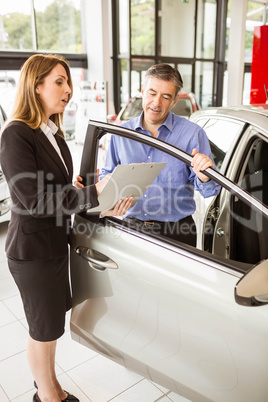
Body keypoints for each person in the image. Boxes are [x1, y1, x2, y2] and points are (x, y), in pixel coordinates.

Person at [0, 54, 133, 402]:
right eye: (60, 81)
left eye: (68, 82)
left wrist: (98, 202)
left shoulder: (54, 134)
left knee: (51, 326)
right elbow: (33, 200)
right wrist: (92, 193)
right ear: (36, 85)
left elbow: (59, 191)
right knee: (43, 329)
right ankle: (47, 395)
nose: (68, 89)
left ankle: (49, 383)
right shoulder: (16, 134)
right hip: (32, 253)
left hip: (54, 246)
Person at [98, 63, 221, 246]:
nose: (156, 103)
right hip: (131, 229)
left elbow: (210, 190)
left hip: (178, 232)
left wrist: (204, 176)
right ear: (142, 91)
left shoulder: (193, 134)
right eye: (152, 93)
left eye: (165, 97)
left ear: (174, 100)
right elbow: (106, 177)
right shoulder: (121, 133)